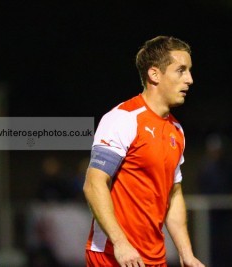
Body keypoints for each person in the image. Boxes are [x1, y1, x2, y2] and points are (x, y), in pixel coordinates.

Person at [83, 36, 204, 267]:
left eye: (189, 70)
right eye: (181, 70)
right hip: (112, 255)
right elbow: (94, 184)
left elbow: (173, 194)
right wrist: (120, 243)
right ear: (154, 74)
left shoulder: (176, 130)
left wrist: (186, 253)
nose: (190, 79)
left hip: (154, 258)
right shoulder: (123, 118)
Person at [197, 132, 232, 267]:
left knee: (229, 246)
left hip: (228, 214)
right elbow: (201, 187)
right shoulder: (205, 167)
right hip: (211, 215)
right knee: (212, 246)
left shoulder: (230, 166)